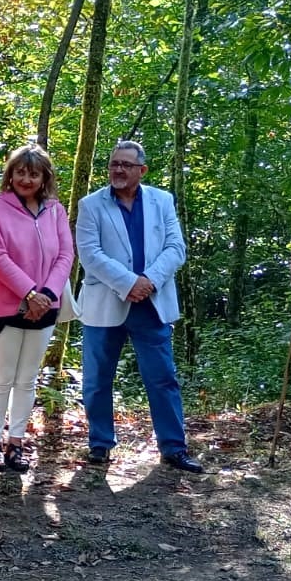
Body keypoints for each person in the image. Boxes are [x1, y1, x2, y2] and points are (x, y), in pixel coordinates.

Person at [76, 140, 203, 472]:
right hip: (105, 304)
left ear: (142, 170)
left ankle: (174, 447)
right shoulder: (90, 205)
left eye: (125, 165)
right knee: (97, 379)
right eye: (113, 164)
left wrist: (149, 280)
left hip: (152, 303)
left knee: (162, 378)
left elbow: (176, 247)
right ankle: (100, 444)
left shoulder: (162, 201)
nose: (117, 170)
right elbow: (89, 254)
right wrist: (128, 283)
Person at [0, 145, 73, 472]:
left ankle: (15, 442)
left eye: (33, 173)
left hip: (45, 306)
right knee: (1, 377)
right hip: (6, 306)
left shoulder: (56, 211)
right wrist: (28, 293)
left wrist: (45, 294)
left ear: (44, 177)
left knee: (28, 379)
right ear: (11, 174)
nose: (26, 179)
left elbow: (65, 256)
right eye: (20, 172)